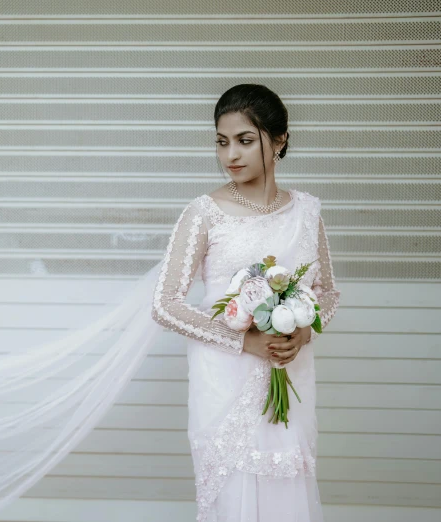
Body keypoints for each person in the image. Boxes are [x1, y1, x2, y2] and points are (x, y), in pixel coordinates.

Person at [151, 84, 341, 522]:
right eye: (221, 142)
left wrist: (306, 328)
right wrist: (244, 342)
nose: (230, 155)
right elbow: (165, 304)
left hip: (290, 371)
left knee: (284, 483)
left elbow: (328, 292)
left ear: (279, 140)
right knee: (233, 490)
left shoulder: (307, 211)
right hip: (224, 375)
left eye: (244, 140)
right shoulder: (204, 212)